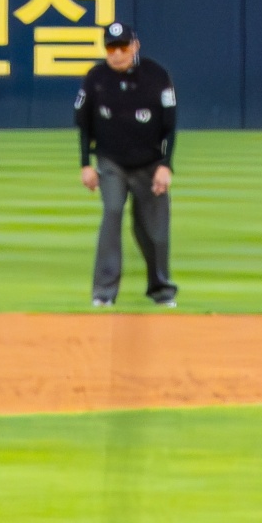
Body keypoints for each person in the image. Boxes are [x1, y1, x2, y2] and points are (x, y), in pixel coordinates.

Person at [74, 22, 177, 309]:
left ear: (135, 46)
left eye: (122, 47)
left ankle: (161, 290)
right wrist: (85, 164)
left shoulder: (157, 76)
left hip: (150, 163)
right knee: (112, 212)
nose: (117, 53)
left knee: (155, 230)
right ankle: (104, 292)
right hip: (111, 162)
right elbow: (83, 124)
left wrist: (166, 165)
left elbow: (170, 126)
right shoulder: (96, 78)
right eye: (111, 48)